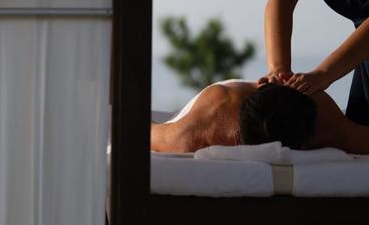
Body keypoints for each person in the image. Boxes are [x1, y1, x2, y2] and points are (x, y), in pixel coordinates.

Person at [151, 81, 369, 154]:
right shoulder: (199, 129)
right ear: (237, 139)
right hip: (224, 97)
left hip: (285, 95)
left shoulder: (325, 121)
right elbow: (149, 131)